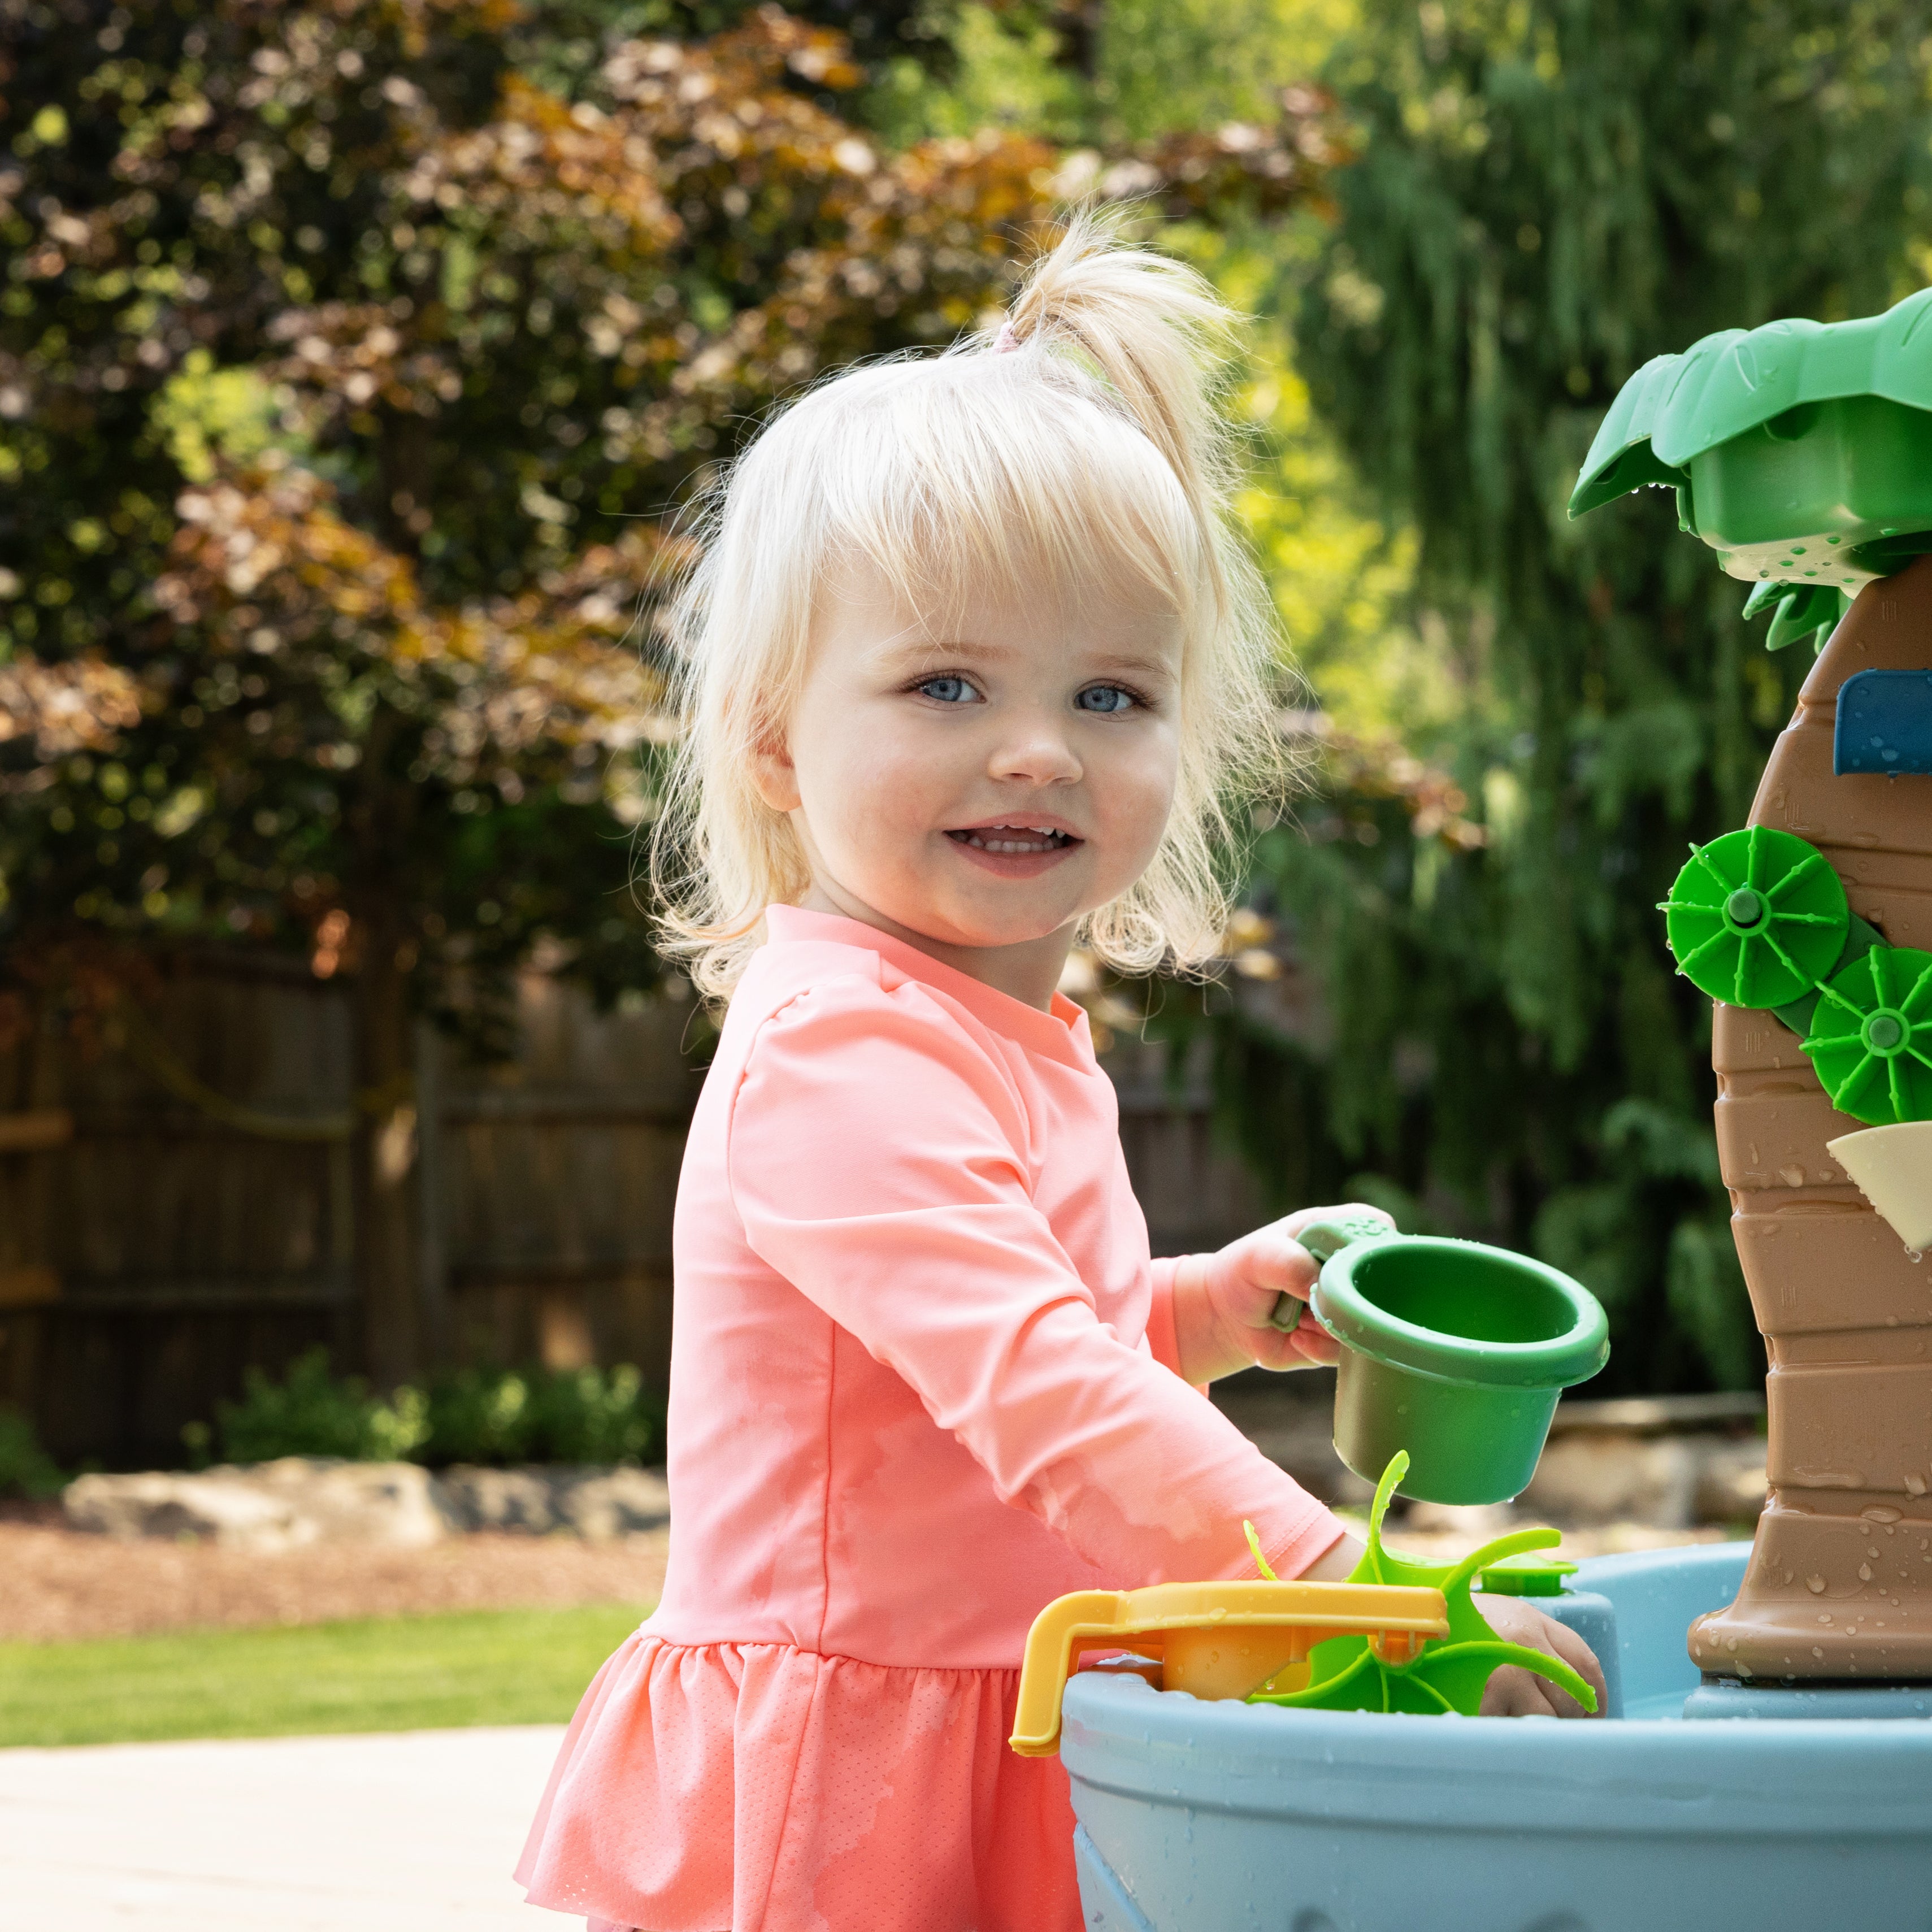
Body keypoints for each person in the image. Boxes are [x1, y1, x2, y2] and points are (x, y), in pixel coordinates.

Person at [516, 214, 1605, 1932]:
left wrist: (1206, 1311)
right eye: (946, 683)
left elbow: (1005, 1349)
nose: (1036, 749)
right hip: (872, 1769)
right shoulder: (838, 1053)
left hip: (1011, 1710)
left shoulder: (990, 1033)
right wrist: (1346, 1587)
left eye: (1110, 694)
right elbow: (1033, 1388)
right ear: (776, 740)